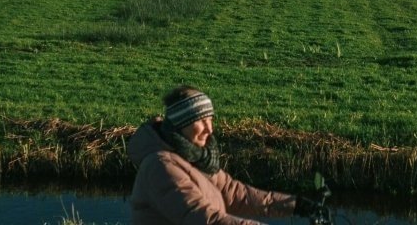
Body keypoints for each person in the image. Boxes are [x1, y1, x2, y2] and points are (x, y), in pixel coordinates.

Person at [128, 85, 316, 224]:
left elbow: (235, 194)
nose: (209, 129)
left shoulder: (196, 157)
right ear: (180, 124)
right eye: (200, 120)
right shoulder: (161, 165)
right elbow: (205, 218)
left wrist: (295, 204)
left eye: (210, 119)